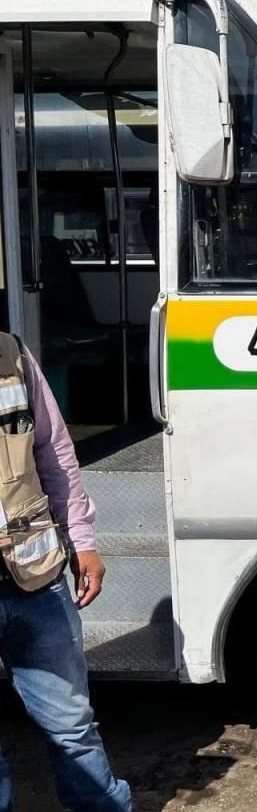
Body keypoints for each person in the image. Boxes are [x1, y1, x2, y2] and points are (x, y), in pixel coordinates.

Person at [0, 332, 131, 812]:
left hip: (36, 579)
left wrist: (82, 540)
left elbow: (55, 454)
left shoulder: (12, 355)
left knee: (72, 729)